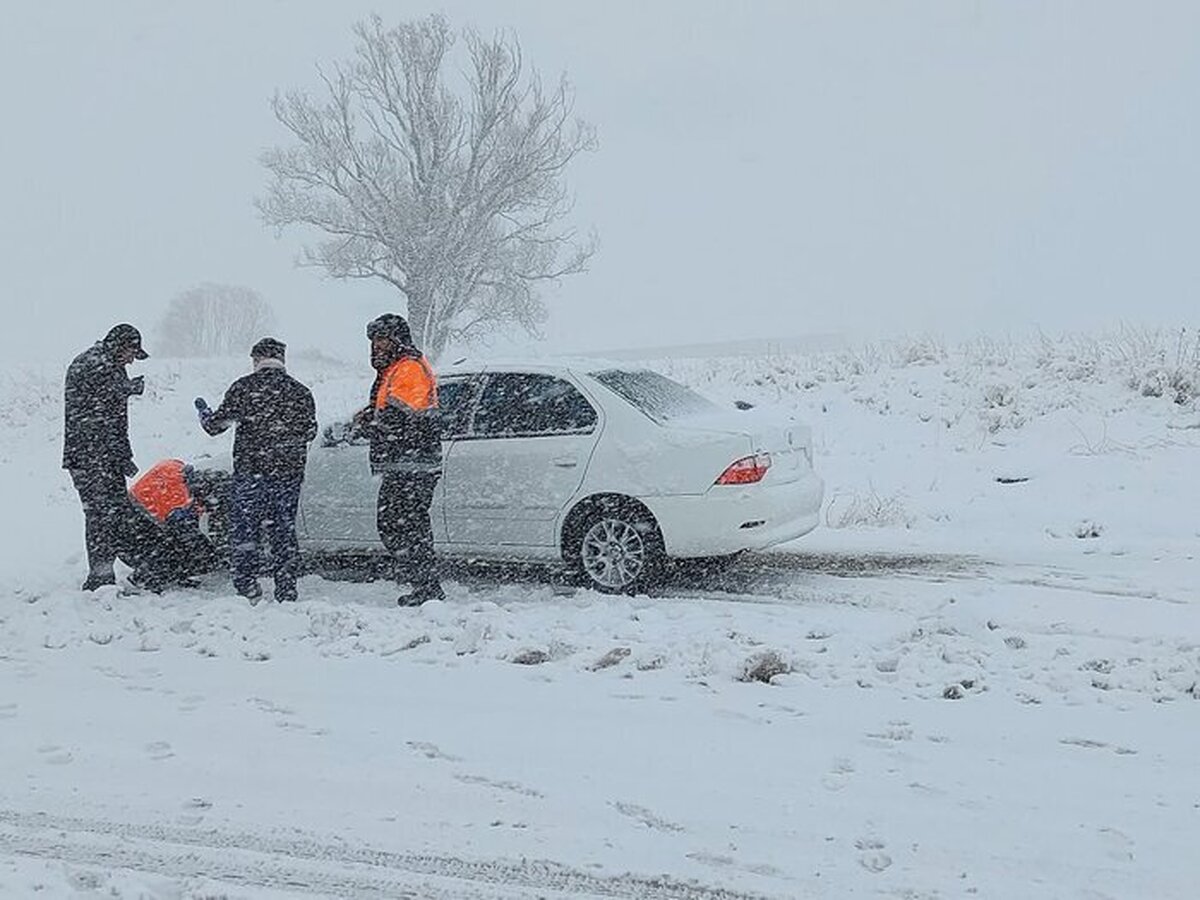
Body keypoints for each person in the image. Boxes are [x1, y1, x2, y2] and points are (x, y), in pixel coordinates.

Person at [195, 338, 317, 604]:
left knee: (245, 530)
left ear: (255, 360)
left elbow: (216, 426)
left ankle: (246, 585)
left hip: (252, 473)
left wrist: (205, 413)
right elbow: (310, 431)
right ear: (282, 360)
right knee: (283, 530)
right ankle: (286, 588)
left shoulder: (244, 387)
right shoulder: (301, 391)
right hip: (288, 473)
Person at [355, 314, 444, 605]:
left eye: (380, 339)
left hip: (413, 463)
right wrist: (369, 416)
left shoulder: (408, 369)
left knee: (404, 524)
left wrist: (370, 427)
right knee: (402, 523)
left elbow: (402, 418)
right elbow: (390, 410)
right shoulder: (395, 369)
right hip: (405, 463)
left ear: (396, 340)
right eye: (373, 341)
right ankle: (421, 579)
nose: (375, 346)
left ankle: (425, 584)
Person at [62, 323, 150, 591]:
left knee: (117, 512)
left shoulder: (106, 364)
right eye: (131, 352)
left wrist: (121, 455)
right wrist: (127, 388)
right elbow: (99, 410)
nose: (132, 359)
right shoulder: (94, 364)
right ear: (118, 346)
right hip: (91, 458)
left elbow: (111, 417)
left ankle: (143, 566)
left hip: (103, 456)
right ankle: (100, 577)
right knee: (101, 516)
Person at [126, 458, 226, 589]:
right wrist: (217, 557)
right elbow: (186, 534)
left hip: (126, 521)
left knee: (177, 541)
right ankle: (150, 575)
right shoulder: (181, 502)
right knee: (196, 552)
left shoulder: (174, 468)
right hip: (137, 536)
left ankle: (159, 572)